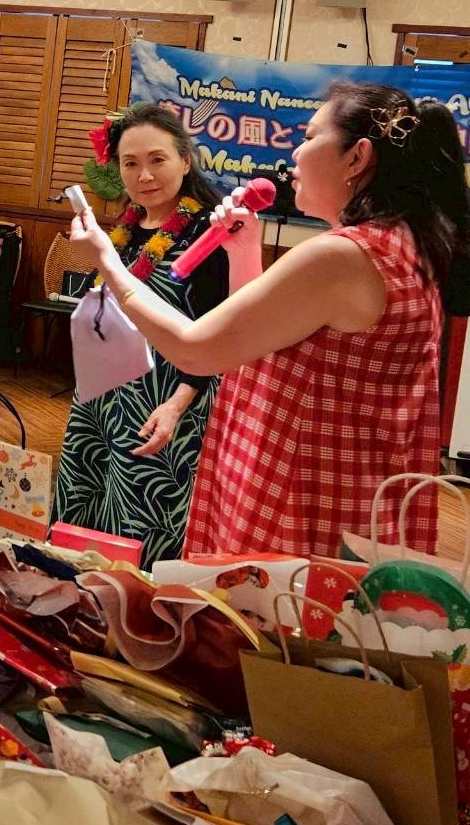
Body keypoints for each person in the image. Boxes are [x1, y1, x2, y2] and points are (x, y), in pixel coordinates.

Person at [70, 81, 470, 559]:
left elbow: (198, 348)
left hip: (305, 502)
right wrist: (244, 252)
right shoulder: (397, 242)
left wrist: (106, 261)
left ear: (357, 157)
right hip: (333, 488)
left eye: (310, 136)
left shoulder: (343, 256)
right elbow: (264, 335)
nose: (295, 154)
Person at [52, 104, 230, 569]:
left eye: (157, 159)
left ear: (185, 160)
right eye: (130, 163)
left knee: (143, 520)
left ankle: (137, 609)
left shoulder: (210, 233)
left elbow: (217, 336)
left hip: (164, 404)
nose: (144, 175)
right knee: (82, 508)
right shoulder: (126, 228)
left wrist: (176, 406)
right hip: (100, 398)